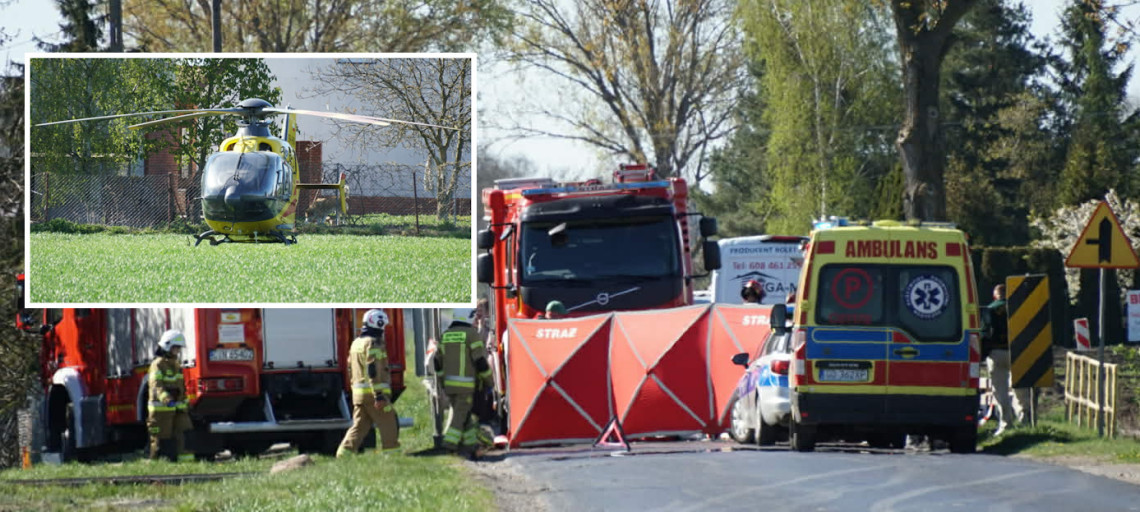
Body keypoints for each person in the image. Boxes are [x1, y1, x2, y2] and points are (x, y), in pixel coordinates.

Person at [337, 309, 400, 456]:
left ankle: (343, 454)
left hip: (359, 395)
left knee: (359, 427)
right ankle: (392, 455)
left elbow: (350, 368)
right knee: (389, 422)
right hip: (373, 395)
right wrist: (378, 395)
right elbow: (373, 370)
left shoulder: (356, 343)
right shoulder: (373, 343)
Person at [435, 308, 495, 458]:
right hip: (466, 386)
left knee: (465, 416)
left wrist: (442, 381)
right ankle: (449, 445)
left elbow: (437, 361)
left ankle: (471, 446)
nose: (475, 320)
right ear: (466, 317)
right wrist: (489, 380)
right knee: (460, 416)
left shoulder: (445, 335)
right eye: (473, 317)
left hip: (449, 386)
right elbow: (480, 361)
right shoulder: (471, 334)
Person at [985, 284, 1025, 435]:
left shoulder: (990, 309)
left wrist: (984, 353)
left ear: (995, 295)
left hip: (996, 352)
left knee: (1000, 391)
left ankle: (1006, 423)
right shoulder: (1018, 308)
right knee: (1020, 389)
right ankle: (1024, 421)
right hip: (1017, 352)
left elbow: (984, 332)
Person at [147, 329, 193, 462]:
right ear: (167, 346)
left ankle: (187, 463)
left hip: (178, 408)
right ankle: (158, 462)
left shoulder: (176, 365)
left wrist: (185, 402)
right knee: (160, 438)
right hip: (161, 409)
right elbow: (156, 385)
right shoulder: (157, 364)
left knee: (185, 432)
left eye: (179, 348)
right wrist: (166, 399)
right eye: (176, 347)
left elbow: (181, 386)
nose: (178, 351)